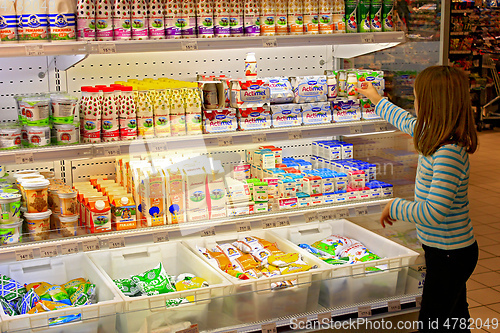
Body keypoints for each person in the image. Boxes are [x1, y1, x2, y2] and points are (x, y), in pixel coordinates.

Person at [358, 66, 478, 333]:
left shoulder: (448, 153)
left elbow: (434, 211)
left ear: (432, 105)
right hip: (445, 251)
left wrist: (396, 206)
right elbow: (407, 122)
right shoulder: (434, 138)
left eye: (416, 99)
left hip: (451, 254)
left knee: (433, 323)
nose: (414, 105)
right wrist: (377, 99)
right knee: (455, 317)